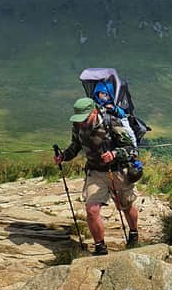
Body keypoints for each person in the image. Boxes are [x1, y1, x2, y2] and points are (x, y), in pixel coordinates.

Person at [54, 97, 139, 255]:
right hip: (95, 172)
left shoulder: (111, 122)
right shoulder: (78, 125)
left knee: (125, 206)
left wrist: (114, 154)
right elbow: (76, 145)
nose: (82, 123)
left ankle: (133, 234)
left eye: (85, 119)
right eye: (79, 120)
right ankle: (100, 247)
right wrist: (64, 156)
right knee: (92, 209)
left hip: (117, 170)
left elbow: (132, 149)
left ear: (93, 111)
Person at [92, 81, 137, 146]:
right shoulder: (95, 103)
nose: (103, 95)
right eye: (101, 93)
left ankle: (134, 146)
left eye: (105, 93)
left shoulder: (114, 102)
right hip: (103, 124)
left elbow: (122, 114)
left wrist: (114, 109)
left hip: (118, 122)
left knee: (128, 131)